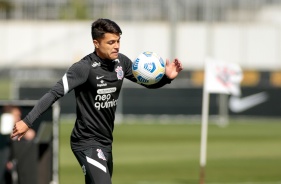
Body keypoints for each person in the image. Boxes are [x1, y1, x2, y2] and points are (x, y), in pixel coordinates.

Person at [11, 18, 183, 184]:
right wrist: (27, 121)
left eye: (118, 41)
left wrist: (166, 78)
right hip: (85, 141)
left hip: (106, 141)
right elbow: (54, 93)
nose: (116, 46)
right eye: (111, 42)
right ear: (96, 43)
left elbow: (145, 82)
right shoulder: (83, 68)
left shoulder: (121, 62)